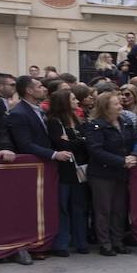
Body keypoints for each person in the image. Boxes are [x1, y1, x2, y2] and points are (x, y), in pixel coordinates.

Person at [84, 91, 137, 256]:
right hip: (102, 173)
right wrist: (121, 160)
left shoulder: (125, 122)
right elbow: (96, 151)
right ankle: (105, 243)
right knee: (103, 209)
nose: (120, 106)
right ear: (106, 107)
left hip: (121, 172)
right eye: (116, 104)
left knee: (119, 209)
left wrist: (134, 155)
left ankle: (117, 241)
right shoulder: (95, 125)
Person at [45, 87, 91, 256]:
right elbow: (62, 146)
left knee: (80, 207)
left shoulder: (78, 119)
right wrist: (80, 141)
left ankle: (81, 242)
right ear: (64, 102)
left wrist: (75, 141)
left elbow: (85, 142)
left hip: (80, 171)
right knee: (63, 207)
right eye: (73, 99)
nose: (77, 101)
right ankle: (61, 243)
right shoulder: (54, 121)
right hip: (64, 172)